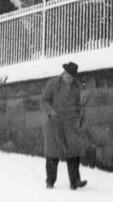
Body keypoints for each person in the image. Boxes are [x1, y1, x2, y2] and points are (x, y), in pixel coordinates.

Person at [41, 61, 87, 190]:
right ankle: (50, 181)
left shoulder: (76, 86)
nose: (69, 78)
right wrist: (51, 112)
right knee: (52, 153)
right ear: (63, 73)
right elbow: (44, 100)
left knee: (74, 152)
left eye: (71, 77)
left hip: (70, 123)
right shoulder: (53, 83)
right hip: (55, 122)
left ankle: (75, 181)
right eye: (67, 75)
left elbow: (78, 104)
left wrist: (78, 117)